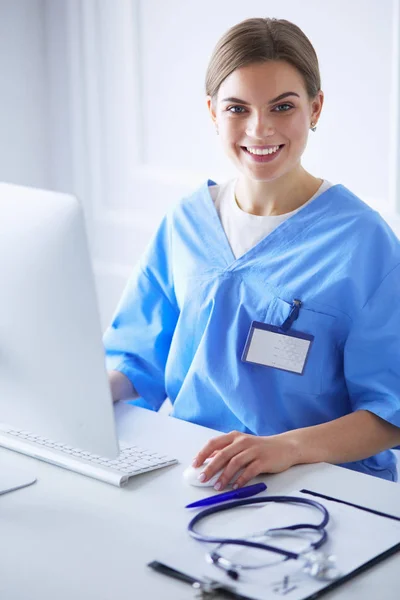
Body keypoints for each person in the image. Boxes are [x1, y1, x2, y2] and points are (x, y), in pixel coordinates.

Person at [104, 17, 400, 488]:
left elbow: (390, 412)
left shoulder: (363, 244)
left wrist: (287, 448)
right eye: (237, 108)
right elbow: (137, 357)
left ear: (315, 108)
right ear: (212, 113)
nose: (259, 129)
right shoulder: (186, 224)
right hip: (196, 471)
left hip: (320, 486)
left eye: (282, 106)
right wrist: (83, 394)